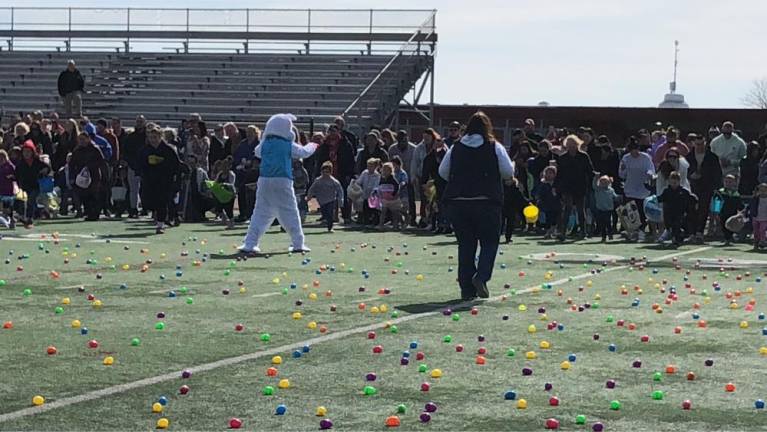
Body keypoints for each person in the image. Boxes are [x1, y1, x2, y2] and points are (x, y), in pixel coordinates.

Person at [439, 111, 513, 301]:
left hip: (458, 203)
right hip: (487, 202)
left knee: (466, 245)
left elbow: (443, 172)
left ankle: (466, 289)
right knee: (489, 242)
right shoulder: (494, 146)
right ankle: (481, 277)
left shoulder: (455, 147)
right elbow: (507, 171)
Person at [238, 114, 318, 254]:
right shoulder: (286, 144)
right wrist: (313, 144)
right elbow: (304, 152)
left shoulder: (265, 144)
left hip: (264, 181)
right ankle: (298, 243)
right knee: (291, 212)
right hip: (282, 180)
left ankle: (250, 243)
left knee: (259, 213)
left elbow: (257, 152)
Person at [138, 127, 181, 234]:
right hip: (149, 180)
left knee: (162, 202)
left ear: (160, 137)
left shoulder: (168, 149)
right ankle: (165, 216)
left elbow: (176, 164)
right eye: (151, 137)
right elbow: (140, 163)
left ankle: (160, 224)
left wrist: (161, 162)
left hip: (164, 180)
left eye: (155, 137)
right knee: (148, 201)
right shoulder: (145, 150)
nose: (153, 139)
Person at [313, 124, 356, 224]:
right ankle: (327, 215)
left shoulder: (345, 143)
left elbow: (350, 158)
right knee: (326, 195)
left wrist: (349, 172)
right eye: (330, 131)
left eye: (334, 130)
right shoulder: (324, 144)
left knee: (343, 194)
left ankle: (346, 216)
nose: (332, 133)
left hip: (341, 172)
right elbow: (320, 159)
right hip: (327, 172)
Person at [555, 134, 594, 240]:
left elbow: (590, 171)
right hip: (567, 186)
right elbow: (559, 174)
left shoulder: (584, 156)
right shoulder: (562, 158)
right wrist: (557, 187)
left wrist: (593, 182)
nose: (571, 147)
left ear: (577, 144)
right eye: (569, 145)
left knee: (581, 210)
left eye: (573, 145)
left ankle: (583, 232)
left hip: (580, 186)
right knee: (567, 209)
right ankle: (563, 232)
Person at [687, 134, 722, 243]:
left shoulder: (712, 157)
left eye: (701, 144)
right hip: (692, 187)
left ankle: (699, 232)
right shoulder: (689, 156)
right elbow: (684, 171)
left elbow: (717, 174)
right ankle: (692, 232)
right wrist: (691, 175)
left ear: (705, 143)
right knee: (691, 210)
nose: (699, 146)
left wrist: (716, 187)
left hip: (707, 187)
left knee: (703, 209)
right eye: (697, 144)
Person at [619, 137, 655, 241]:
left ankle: (642, 231)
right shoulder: (626, 158)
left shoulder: (646, 157)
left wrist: (649, 175)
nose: (634, 152)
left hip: (642, 189)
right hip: (630, 188)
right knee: (630, 212)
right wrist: (623, 170)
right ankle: (632, 232)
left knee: (641, 212)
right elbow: (622, 174)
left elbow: (651, 169)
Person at [68, 132, 106, 221]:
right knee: (84, 195)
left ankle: (95, 213)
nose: (81, 141)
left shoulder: (95, 149)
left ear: (88, 139)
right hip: (82, 176)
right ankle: (88, 212)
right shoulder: (77, 150)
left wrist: (104, 176)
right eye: (80, 139)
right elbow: (72, 164)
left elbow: (101, 162)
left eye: (83, 139)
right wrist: (72, 176)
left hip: (94, 174)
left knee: (94, 194)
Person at [14, 140, 50, 227]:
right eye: (24, 151)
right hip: (24, 186)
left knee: (31, 200)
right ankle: (41, 211)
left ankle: (29, 218)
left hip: (36, 185)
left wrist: (44, 172)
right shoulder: (20, 163)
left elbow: (47, 168)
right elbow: (17, 175)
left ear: (32, 152)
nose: (26, 154)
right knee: (24, 202)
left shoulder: (37, 161)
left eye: (28, 151)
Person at [388, 130, 417, 225]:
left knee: (411, 199)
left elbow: (415, 164)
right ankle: (395, 219)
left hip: (409, 176)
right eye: (401, 140)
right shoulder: (392, 149)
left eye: (405, 140)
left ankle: (412, 219)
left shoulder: (413, 148)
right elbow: (390, 164)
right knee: (395, 200)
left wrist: (413, 177)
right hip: (395, 178)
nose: (403, 142)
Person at [307, 161, 344, 232]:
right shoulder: (318, 180)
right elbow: (312, 189)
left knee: (330, 213)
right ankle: (326, 220)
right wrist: (309, 196)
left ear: (330, 172)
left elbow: (340, 190)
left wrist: (341, 199)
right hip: (321, 200)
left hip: (331, 199)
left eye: (327, 172)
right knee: (324, 213)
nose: (325, 174)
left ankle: (330, 227)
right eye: (323, 172)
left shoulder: (334, 181)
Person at [412, 129, 439, 227]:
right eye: (424, 137)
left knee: (435, 200)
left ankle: (434, 220)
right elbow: (415, 163)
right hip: (422, 177)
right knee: (424, 199)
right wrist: (413, 176)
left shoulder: (438, 146)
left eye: (428, 137)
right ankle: (424, 219)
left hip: (435, 178)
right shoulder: (419, 148)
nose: (426, 139)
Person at [657, 171, 692, 247]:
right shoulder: (666, 191)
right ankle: (674, 236)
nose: (674, 184)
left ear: (679, 181)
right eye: (672, 182)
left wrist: (694, 202)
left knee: (677, 225)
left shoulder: (683, 191)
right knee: (670, 226)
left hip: (679, 213)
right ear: (669, 181)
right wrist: (654, 199)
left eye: (675, 182)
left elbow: (690, 199)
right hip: (668, 213)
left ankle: (676, 239)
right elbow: (661, 198)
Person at [233, 126, 260, 222]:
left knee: (253, 194)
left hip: (254, 173)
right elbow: (236, 155)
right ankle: (243, 214)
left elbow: (259, 157)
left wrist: (251, 162)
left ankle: (252, 214)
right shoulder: (243, 143)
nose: (249, 134)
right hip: (242, 172)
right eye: (247, 132)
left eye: (251, 132)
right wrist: (240, 162)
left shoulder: (258, 144)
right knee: (241, 191)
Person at [122, 115, 146, 218]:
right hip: (133, 166)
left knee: (145, 189)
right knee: (133, 189)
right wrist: (129, 162)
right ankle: (133, 209)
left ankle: (146, 208)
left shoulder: (147, 137)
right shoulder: (130, 137)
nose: (139, 123)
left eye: (141, 121)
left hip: (146, 166)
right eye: (138, 121)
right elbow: (125, 152)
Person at [714, 174, 744, 246]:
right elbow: (717, 202)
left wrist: (741, 212)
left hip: (732, 213)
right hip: (723, 212)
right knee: (723, 225)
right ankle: (727, 238)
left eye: (730, 182)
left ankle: (730, 237)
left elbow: (740, 205)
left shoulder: (736, 194)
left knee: (731, 225)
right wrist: (716, 211)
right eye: (726, 181)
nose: (728, 183)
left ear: (734, 183)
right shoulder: (720, 192)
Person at [377, 162, 402, 231]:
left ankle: (396, 225)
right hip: (385, 199)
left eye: (386, 170)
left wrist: (394, 195)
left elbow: (397, 187)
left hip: (393, 200)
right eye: (383, 170)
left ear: (391, 171)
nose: (384, 172)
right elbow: (379, 187)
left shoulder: (393, 179)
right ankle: (381, 225)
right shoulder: (381, 179)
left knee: (395, 213)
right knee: (383, 212)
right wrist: (380, 194)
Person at [356, 158, 381, 225]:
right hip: (365, 195)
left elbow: (376, 186)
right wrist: (356, 184)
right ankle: (365, 222)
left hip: (373, 196)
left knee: (374, 210)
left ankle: (375, 222)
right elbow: (359, 181)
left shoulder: (377, 175)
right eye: (368, 166)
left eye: (371, 166)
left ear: (375, 167)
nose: (369, 168)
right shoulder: (364, 173)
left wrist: (373, 193)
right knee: (365, 209)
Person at [593, 175, 619, 242]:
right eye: (602, 182)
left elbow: (615, 197)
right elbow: (594, 184)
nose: (604, 184)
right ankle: (603, 236)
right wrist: (596, 178)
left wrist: (619, 197)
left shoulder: (611, 190)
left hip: (608, 210)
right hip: (600, 209)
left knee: (608, 223)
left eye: (605, 182)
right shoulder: (598, 189)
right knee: (602, 224)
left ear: (608, 182)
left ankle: (610, 234)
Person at [537, 166, 560, 239]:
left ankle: (553, 231)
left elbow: (560, 193)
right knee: (548, 219)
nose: (549, 175)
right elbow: (540, 193)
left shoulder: (557, 183)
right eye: (547, 173)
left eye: (551, 173)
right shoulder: (543, 184)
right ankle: (548, 232)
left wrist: (556, 193)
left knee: (556, 219)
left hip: (556, 204)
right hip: (547, 205)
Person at [391, 156, 410, 226]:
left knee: (403, 209)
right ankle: (401, 222)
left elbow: (404, 181)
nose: (393, 167)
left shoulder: (403, 173)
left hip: (403, 194)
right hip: (395, 195)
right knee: (396, 210)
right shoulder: (392, 173)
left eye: (395, 165)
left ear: (399, 164)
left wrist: (400, 185)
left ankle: (407, 218)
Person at [0, 150, 17, 229]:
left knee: (8, 207)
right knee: (4, 208)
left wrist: (10, 176)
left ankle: (12, 221)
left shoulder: (10, 165)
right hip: (1, 189)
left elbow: (16, 175)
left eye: (2, 157)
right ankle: (8, 220)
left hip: (8, 189)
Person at [749, 183, 767, 250]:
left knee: (762, 230)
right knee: (756, 231)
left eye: (764, 190)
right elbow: (750, 206)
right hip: (756, 217)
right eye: (761, 190)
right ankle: (756, 243)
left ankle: (763, 241)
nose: (762, 192)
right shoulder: (755, 198)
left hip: (765, 218)